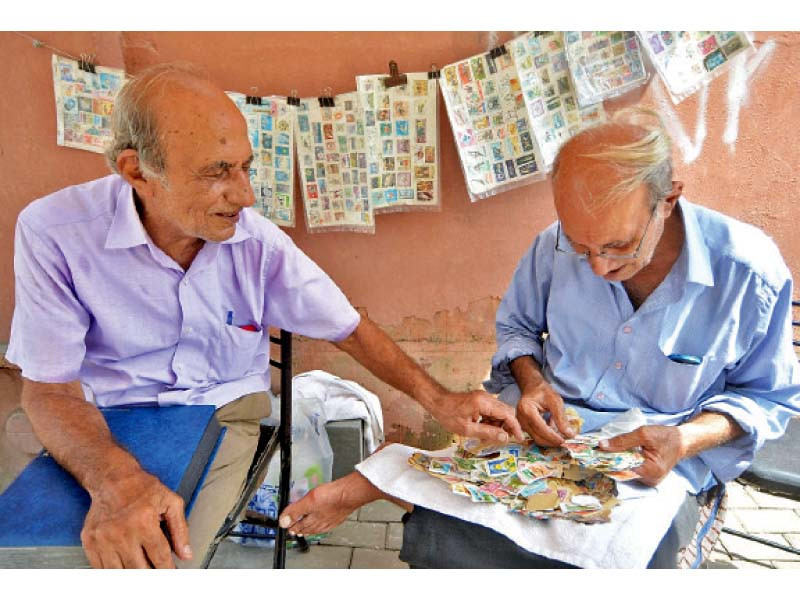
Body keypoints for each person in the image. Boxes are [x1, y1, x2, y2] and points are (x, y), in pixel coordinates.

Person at [6, 62, 523, 569]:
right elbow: (49, 389)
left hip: (222, 406)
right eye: (217, 173)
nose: (246, 195)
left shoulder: (257, 243)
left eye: (246, 167)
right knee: (35, 558)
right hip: (106, 416)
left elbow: (350, 329)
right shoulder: (55, 233)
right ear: (137, 170)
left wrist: (442, 401)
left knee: (161, 562)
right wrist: (115, 480)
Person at [279, 107, 800, 568]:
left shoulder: (748, 272)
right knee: (452, 521)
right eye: (581, 245)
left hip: (658, 459)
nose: (597, 266)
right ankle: (376, 482)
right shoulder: (552, 246)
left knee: (625, 554)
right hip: (547, 436)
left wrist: (684, 440)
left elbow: (767, 398)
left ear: (668, 200)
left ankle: (378, 483)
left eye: (618, 245)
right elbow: (517, 329)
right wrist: (529, 384)